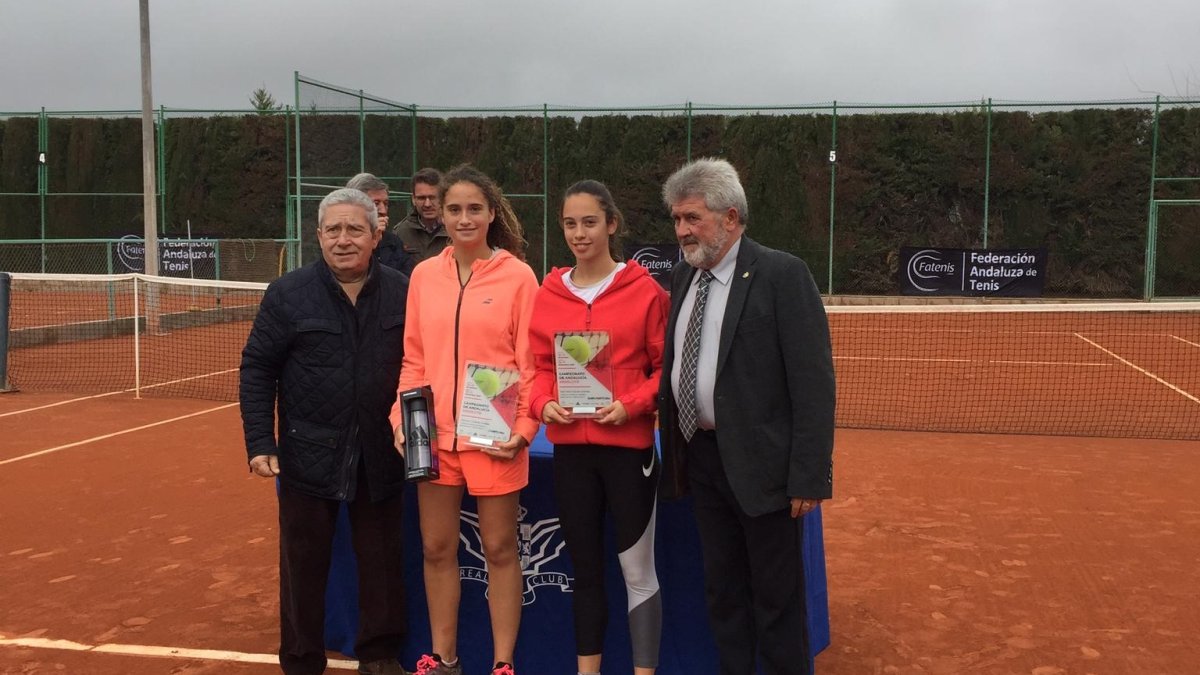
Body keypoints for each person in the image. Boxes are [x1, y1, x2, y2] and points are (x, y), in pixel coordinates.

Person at [657, 159, 835, 675]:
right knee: (724, 590)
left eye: (692, 218)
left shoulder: (782, 274)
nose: (682, 230)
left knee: (776, 598)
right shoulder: (682, 276)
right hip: (702, 459)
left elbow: (813, 383)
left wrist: (808, 475)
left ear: (730, 217)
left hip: (765, 468)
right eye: (677, 219)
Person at [240, 188, 411, 675]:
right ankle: (301, 660)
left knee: (381, 562)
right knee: (303, 565)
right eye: (333, 229)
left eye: (354, 229)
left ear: (375, 236)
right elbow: (257, 368)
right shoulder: (287, 293)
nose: (343, 239)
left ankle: (379, 654)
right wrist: (260, 440)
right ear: (318, 236)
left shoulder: (404, 290)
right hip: (307, 453)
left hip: (381, 453)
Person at [389, 164, 539, 675]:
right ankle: (444, 659)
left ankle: (502, 664)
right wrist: (401, 419)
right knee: (436, 548)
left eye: (474, 208)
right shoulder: (423, 276)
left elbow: (530, 365)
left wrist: (523, 431)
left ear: (492, 213)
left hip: (495, 437)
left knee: (499, 548)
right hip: (432, 437)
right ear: (441, 214)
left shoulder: (519, 277)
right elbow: (413, 358)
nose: (464, 218)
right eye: (454, 209)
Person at [528, 180, 668, 675]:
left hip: (629, 452)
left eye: (590, 222)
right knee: (584, 572)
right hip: (572, 455)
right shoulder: (548, 294)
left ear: (612, 224)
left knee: (637, 571)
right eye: (570, 224)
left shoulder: (647, 292)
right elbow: (538, 368)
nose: (579, 234)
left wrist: (631, 406)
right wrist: (542, 403)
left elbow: (665, 370)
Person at [347, 172, 417, 276]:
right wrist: (369, 239)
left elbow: (406, 279)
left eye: (386, 203)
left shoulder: (394, 242)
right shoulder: (340, 241)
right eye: (376, 204)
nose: (383, 211)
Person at [394, 167, 451, 261]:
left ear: (442, 198)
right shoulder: (401, 233)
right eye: (421, 198)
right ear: (413, 199)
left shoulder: (454, 230)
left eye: (432, 197)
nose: (427, 204)